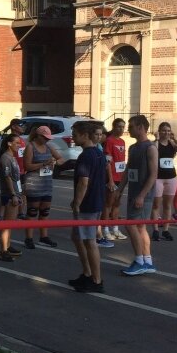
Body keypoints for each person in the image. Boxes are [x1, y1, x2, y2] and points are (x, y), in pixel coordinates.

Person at [115, 114, 158, 276]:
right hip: (133, 192)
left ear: (141, 127)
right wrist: (120, 189)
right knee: (140, 227)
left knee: (130, 224)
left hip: (143, 195)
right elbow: (128, 170)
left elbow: (153, 175)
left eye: (131, 126)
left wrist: (142, 195)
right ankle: (147, 261)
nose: (128, 129)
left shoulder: (150, 148)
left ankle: (139, 261)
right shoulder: (133, 148)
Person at [68, 121, 107, 292]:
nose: (73, 137)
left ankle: (96, 281)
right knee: (77, 237)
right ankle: (87, 273)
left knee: (90, 241)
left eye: (75, 134)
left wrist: (77, 202)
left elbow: (84, 182)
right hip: (95, 201)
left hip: (88, 205)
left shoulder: (87, 156)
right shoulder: (98, 154)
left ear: (85, 135)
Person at [22, 125, 63, 249]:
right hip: (34, 183)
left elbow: (61, 159)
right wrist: (43, 163)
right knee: (32, 211)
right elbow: (27, 166)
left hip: (46, 183)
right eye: (45, 138)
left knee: (45, 211)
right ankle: (28, 238)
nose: (47, 140)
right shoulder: (30, 147)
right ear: (38, 135)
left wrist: (55, 162)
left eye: (48, 138)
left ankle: (44, 237)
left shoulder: (49, 147)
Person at [151, 122, 177, 241]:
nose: (166, 133)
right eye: (164, 130)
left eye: (168, 130)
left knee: (167, 205)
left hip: (171, 177)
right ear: (159, 131)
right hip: (158, 178)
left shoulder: (172, 144)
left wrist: (175, 139)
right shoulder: (154, 144)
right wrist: (156, 139)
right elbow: (154, 152)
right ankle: (155, 230)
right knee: (156, 205)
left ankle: (166, 230)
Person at [0, 134, 23, 262]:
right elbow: (7, 178)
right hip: (9, 194)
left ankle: (8, 245)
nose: (19, 145)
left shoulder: (12, 157)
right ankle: (3, 250)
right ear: (9, 144)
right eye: (17, 143)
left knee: (10, 223)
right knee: (7, 224)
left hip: (16, 193)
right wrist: (13, 195)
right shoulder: (5, 158)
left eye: (19, 143)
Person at [103, 118, 127, 241]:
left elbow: (122, 161)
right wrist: (110, 180)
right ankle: (105, 230)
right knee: (108, 204)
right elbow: (108, 162)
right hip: (111, 178)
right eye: (119, 126)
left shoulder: (122, 141)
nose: (121, 129)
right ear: (113, 127)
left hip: (120, 178)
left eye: (123, 127)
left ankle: (115, 229)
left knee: (117, 204)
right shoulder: (109, 141)